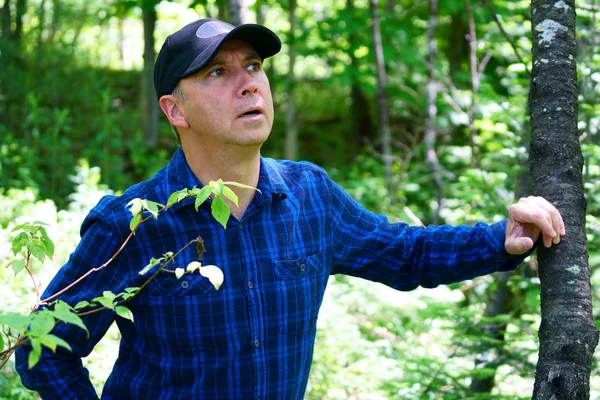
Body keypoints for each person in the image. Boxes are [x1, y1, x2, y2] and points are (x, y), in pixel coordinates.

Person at [16, 18, 565, 399]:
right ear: (174, 109)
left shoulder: (310, 197)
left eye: (253, 66)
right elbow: (43, 348)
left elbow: (406, 253)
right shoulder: (135, 223)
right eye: (217, 73)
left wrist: (501, 239)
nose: (248, 84)